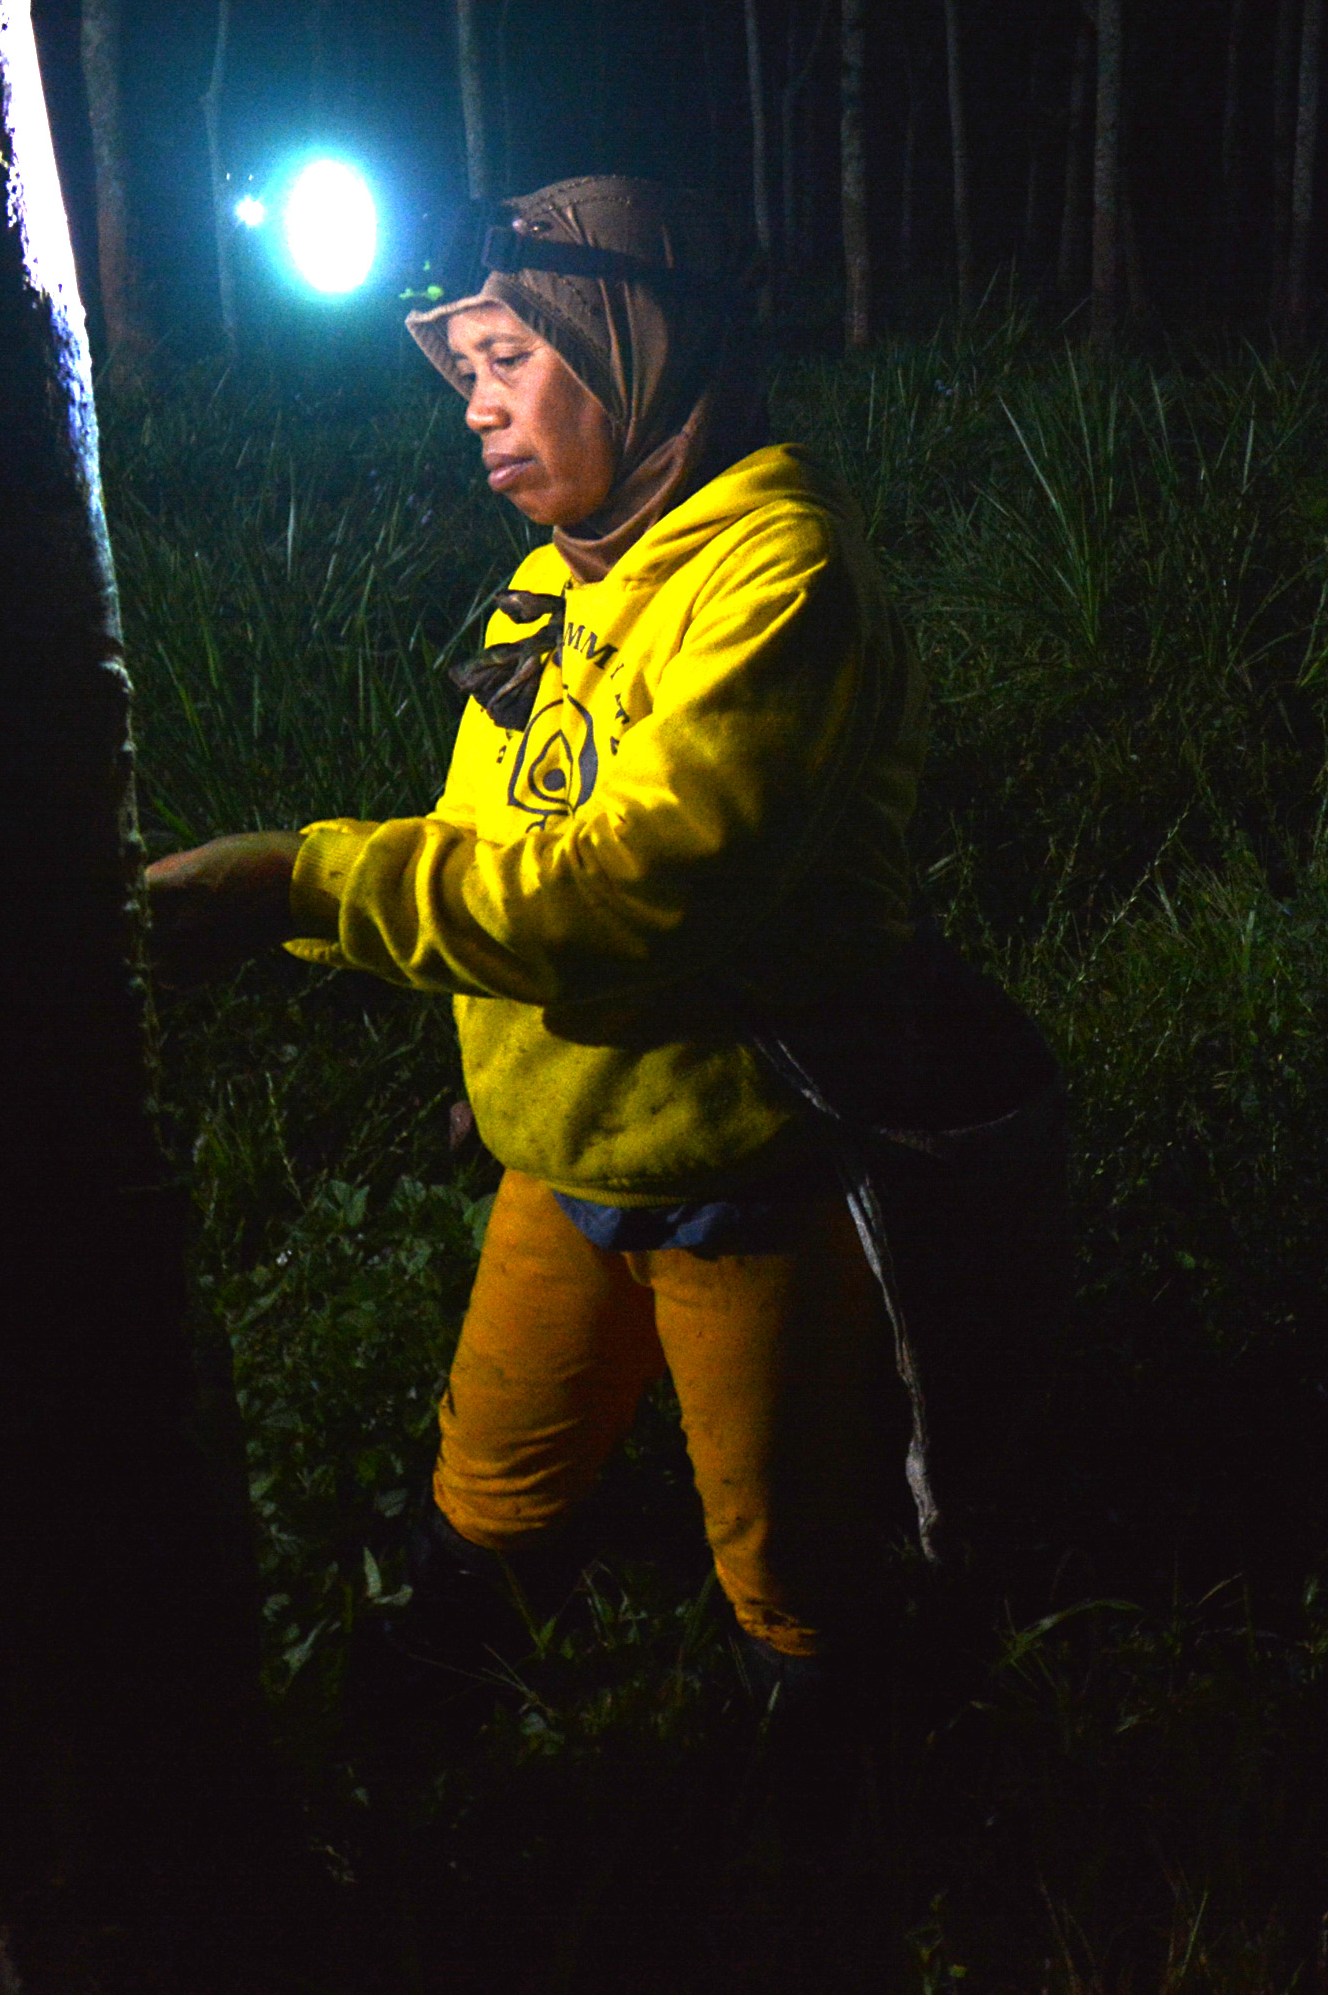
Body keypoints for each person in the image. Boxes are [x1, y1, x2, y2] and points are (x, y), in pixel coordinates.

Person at [142, 175, 923, 1815]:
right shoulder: (561, 578)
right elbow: (494, 849)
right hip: (559, 1150)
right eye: (463, 372)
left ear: (631, 346)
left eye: (508, 359)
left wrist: (302, 885)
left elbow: (623, 895)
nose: (476, 407)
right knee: (487, 1481)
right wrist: (462, 1033)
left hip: (742, 1165)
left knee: (790, 1556)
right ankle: (421, 1736)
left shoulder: (778, 575)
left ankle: (826, 1812)